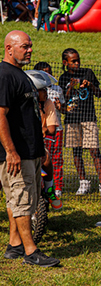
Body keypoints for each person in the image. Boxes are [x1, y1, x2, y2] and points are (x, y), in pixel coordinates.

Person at [0, 31, 59, 267]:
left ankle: (14, 244)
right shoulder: (4, 75)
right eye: (24, 46)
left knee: (22, 200)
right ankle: (30, 251)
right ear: (9, 48)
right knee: (22, 200)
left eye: (30, 46)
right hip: (17, 153)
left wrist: (40, 147)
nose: (30, 50)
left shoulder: (21, 74)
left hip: (31, 151)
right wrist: (11, 151)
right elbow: (0, 115)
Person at [59, 48, 101, 197]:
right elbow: (63, 102)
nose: (77, 63)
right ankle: (83, 182)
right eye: (73, 61)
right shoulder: (63, 78)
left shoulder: (87, 73)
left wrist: (90, 86)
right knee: (76, 151)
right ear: (65, 63)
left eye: (78, 60)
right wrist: (70, 88)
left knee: (94, 150)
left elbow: (99, 93)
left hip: (88, 118)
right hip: (72, 119)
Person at [34, 62, 66, 197]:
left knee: (48, 159)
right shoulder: (25, 104)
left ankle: (50, 187)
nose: (46, 92)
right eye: (42, 90)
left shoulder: (48, 103)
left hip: (42, 141)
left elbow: (52, 129)